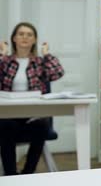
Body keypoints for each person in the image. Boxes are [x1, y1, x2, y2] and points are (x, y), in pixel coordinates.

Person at [0, 22, 64, 175]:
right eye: (21, 34)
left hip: (32, 117)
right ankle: (11, 175)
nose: (25, 37)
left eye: (29, 35)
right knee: (5, 126)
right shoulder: (5, 62)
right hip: (8, 118)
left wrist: (47, 54)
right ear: (14, 38)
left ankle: (28, 173)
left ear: (34, 40)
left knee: (42, 125)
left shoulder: (39, 62)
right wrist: (2, 55)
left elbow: (57, 73)